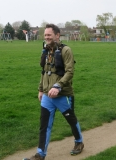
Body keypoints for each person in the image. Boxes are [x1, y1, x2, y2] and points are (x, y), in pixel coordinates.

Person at [24, 24, 84, 160]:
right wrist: (40, 89)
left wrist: (58, 86)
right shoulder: (45, 51)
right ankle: (40, 154)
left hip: (63, 95)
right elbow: (44, 72)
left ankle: (79, 142)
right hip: (47, 96)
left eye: (49, 35)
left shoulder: (66, 50)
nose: (46, 37)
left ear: (57, 35)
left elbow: (70, 72)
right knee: (44, 125)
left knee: (71, 120)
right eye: (45, 35)